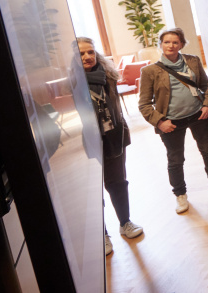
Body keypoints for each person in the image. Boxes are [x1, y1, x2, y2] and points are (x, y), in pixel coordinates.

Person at [138, 28, 208, 213]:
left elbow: (205, 85)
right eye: (167, 42)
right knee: (175, 159)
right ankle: (180, 194)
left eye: (175, 42)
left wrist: (207, 105)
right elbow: (144, 104)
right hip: (170, 122)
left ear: (181, 44)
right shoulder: (149, 71)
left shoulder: (192, 60)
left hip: (198, 115)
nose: (171, 45)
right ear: (160, 44)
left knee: (207, 148)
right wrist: (160, 122)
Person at [77, 38, 143, 255]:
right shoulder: (73, 83)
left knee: (118, 182)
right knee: (95, 191)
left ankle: (125, 223)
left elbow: (116, 108)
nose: (87, 57)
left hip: (113, 137)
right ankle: (102, 235)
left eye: (90, 52)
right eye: (81, 54)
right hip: (89, 142)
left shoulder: (109, 77)